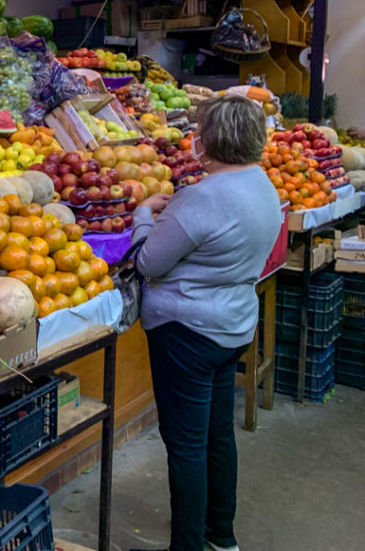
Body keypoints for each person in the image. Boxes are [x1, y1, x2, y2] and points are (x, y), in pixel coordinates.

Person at [129, 95, 282, 551]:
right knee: (218, 435)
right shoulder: (264, 186)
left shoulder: (200, 197)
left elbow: (149, 262)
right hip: (233, 326)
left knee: (187, 446)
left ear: (208, 140)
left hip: (187, 333)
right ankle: (221, 535)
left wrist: (142, 215)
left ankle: (189, 544)